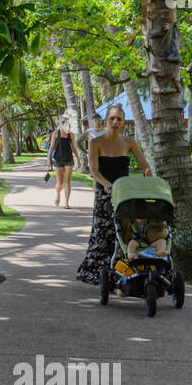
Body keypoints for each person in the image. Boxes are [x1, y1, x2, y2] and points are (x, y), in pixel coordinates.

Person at [76, 103, 153, 285]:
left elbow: (145, 166)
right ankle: (100, 273)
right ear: (106, 121)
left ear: (123, 122)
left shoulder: (130, 142)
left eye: (119, 119)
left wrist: (148, 178)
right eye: (112, 118)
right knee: (102, 233)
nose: (115, 122)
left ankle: (123, 272)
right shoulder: (95, 142)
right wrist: (108, 185)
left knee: (124, 233)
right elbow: (94, 171)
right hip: (105, 193)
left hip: (125, 194)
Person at [47, 116, 77, 208]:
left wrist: (78, 159)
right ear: (60, 123)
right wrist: (48, 157)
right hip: (58, 159)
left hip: (69, 159)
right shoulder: (55, 134)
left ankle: (67, 203)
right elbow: (52, 147)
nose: (65, 124)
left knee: (68, 182)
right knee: (59, 182)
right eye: (63, 122)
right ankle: (58, 195)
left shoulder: (71, 134)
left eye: (67, 122)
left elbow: (74, 147)